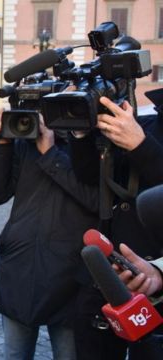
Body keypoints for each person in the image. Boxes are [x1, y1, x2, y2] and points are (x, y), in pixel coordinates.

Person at [0, 113, 98, 360]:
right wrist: (2, 143)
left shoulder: (94, 141)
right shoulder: (26, 137)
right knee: (15, 355)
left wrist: (50, 154)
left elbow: (96, 200)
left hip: (71, 275)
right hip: (20, 266)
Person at [70, 92, 163, 360]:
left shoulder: (140, 132)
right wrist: (81, 134)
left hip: (152, 280)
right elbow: (90, 176)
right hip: (104, 277)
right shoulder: (143, 121)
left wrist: (141, 146)